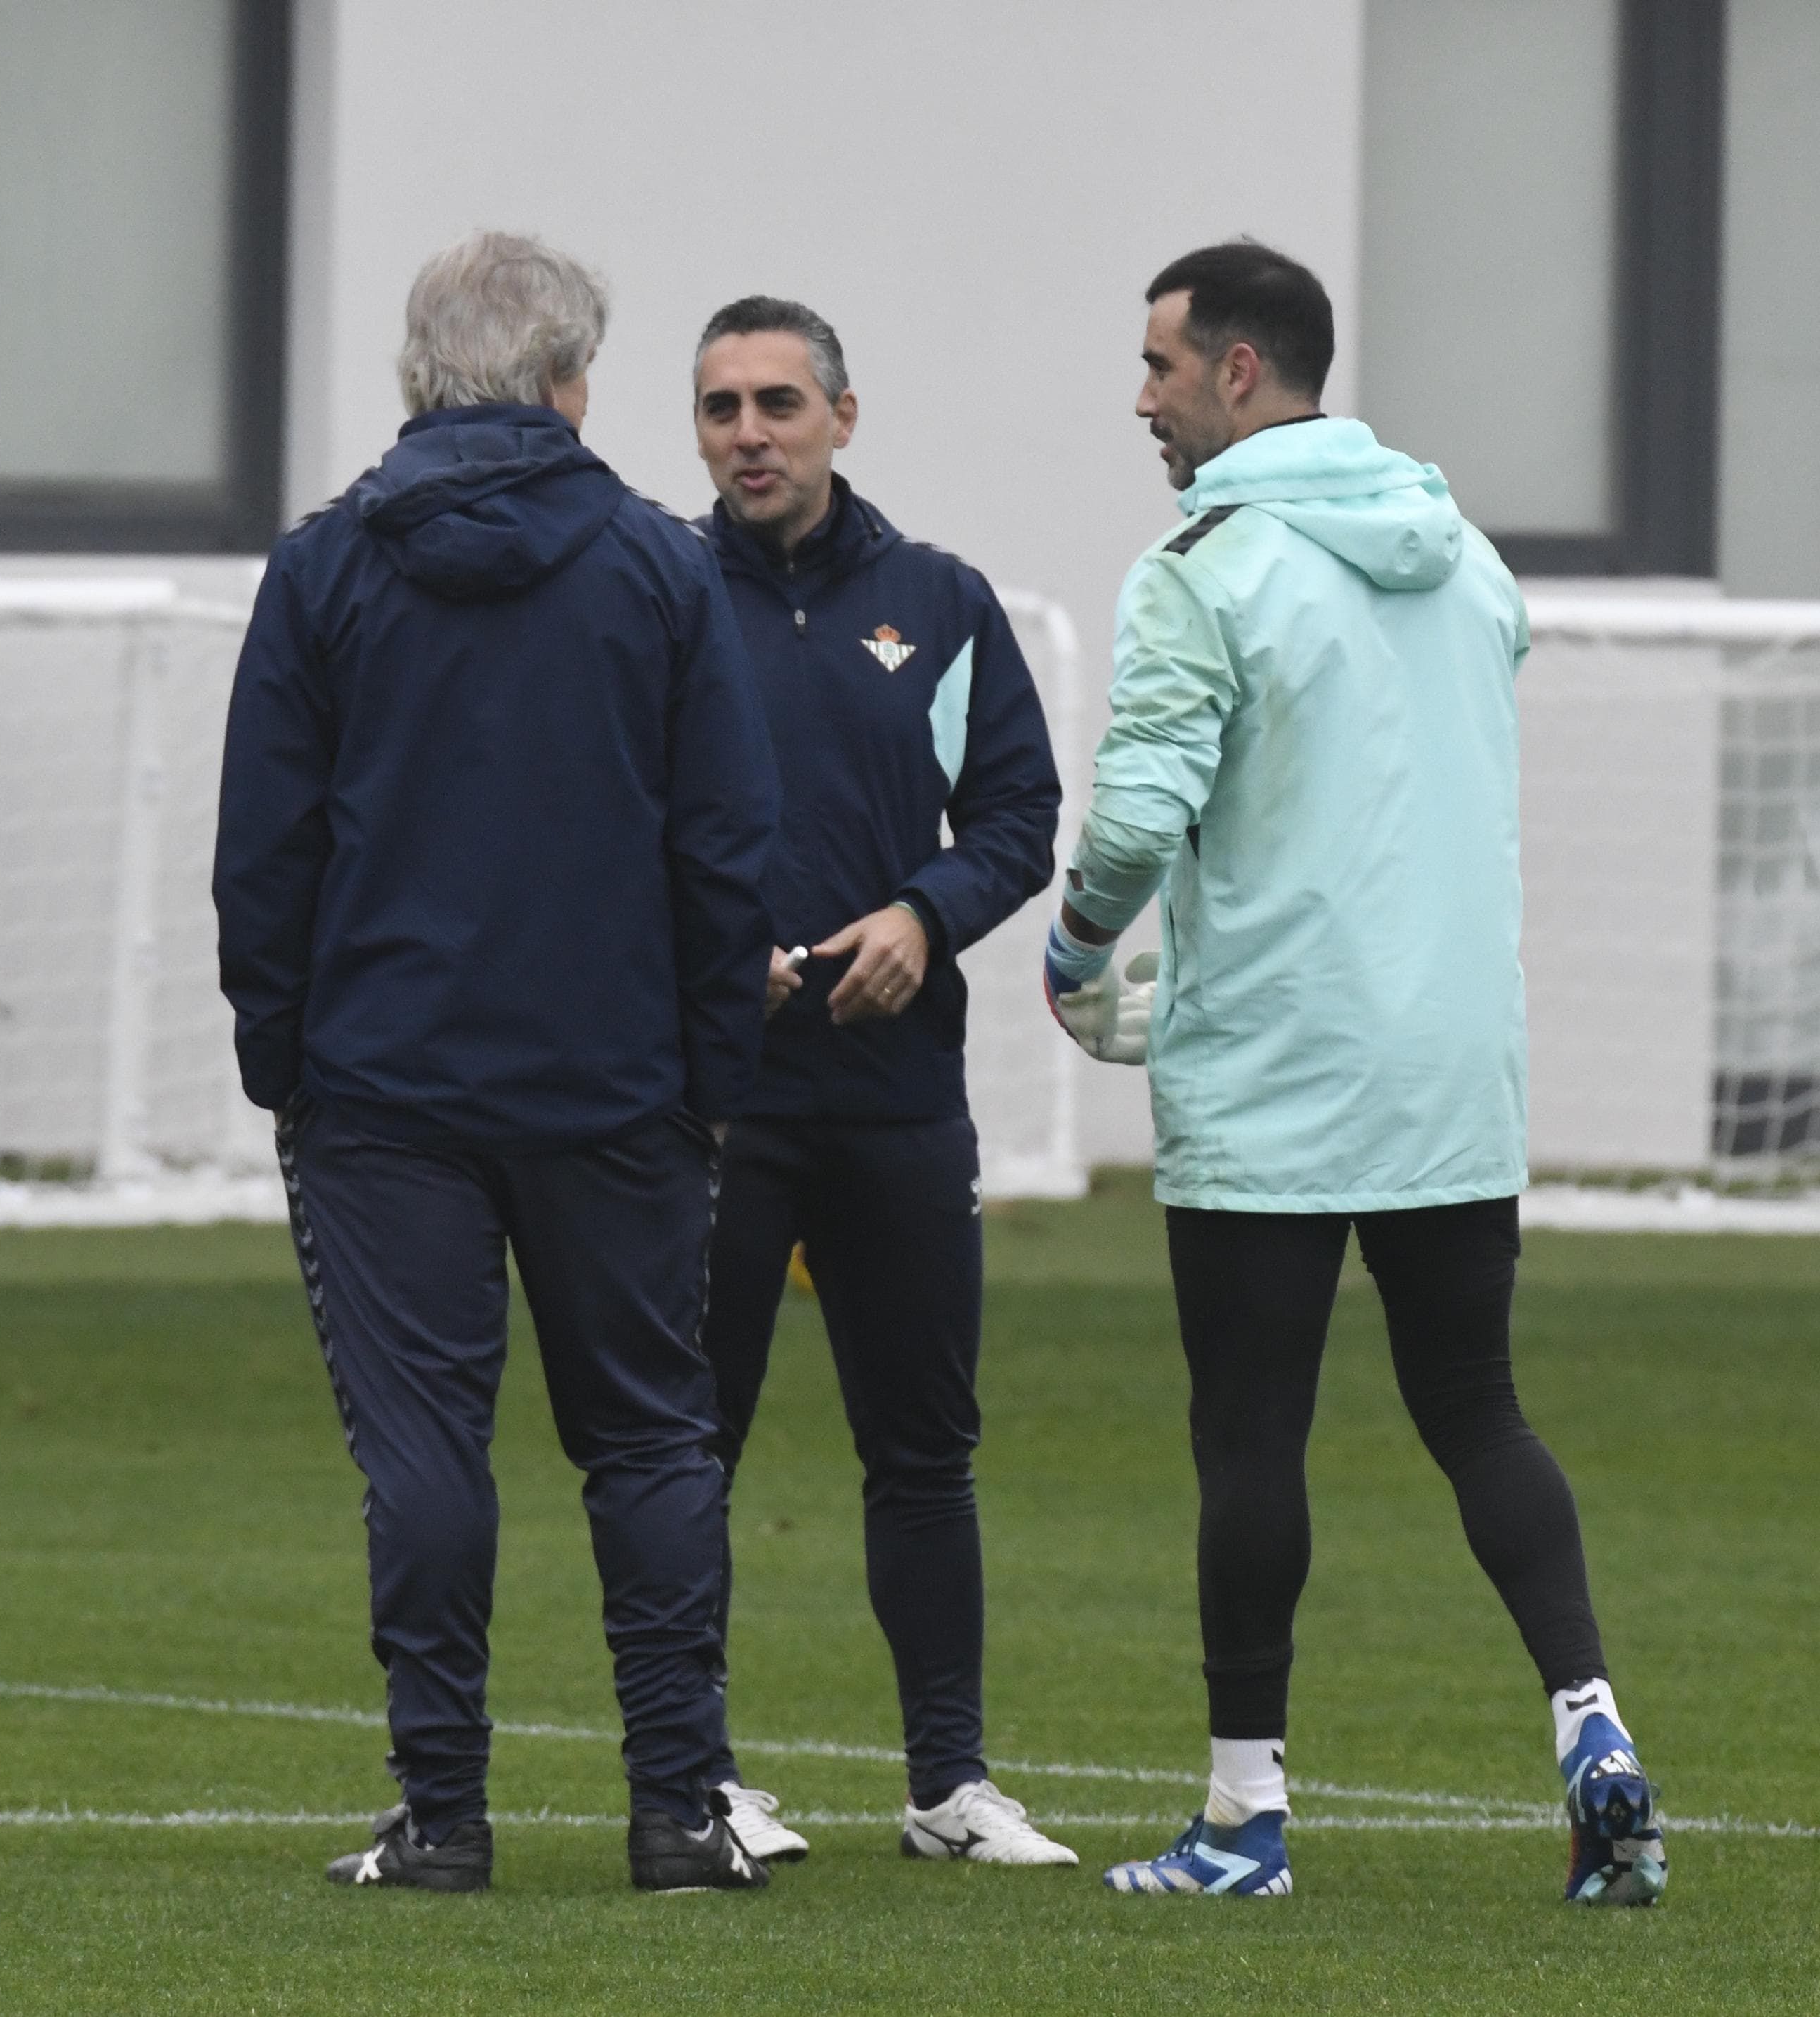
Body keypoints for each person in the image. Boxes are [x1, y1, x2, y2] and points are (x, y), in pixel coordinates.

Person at [1044, 240, 1665, 1905]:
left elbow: (1132, 823)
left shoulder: (1207, 566)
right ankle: (1593, 1722)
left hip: (1276, 1068)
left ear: (1240, 373)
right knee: (1477, 1406)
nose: (1144, 397)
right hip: (1454, 1063)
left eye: (1162, 365)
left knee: (1252, 1435)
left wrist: (1074, 951)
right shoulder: (1460, 553)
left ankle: (1244, 1818)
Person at [214, 231, 786, 1895]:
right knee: (653, 1441)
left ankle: (445, 1815)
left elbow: (269, 854)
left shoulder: (324, 568)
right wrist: (707, 1069)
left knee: (422, 1450)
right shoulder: (662, 568)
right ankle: (681, 1807)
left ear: (418, 375)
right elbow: (724, 842)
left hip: (386, 1088)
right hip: (614, 1083)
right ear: (566, 379)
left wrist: (286, 1064)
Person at [687, 296, 1074, 1867]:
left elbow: (1021, 811)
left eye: (780, 401)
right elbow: (594, 822)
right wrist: (715, 964)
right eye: (720, 407)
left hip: (901, 1102)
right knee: (683, 1447)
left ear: (847, 416)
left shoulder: (942, 601)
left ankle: (949, 1787)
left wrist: (927, 913)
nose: (750, 433)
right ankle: (693, 1776)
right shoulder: (652, 593)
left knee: (924, 1449)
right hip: (712, 1101)